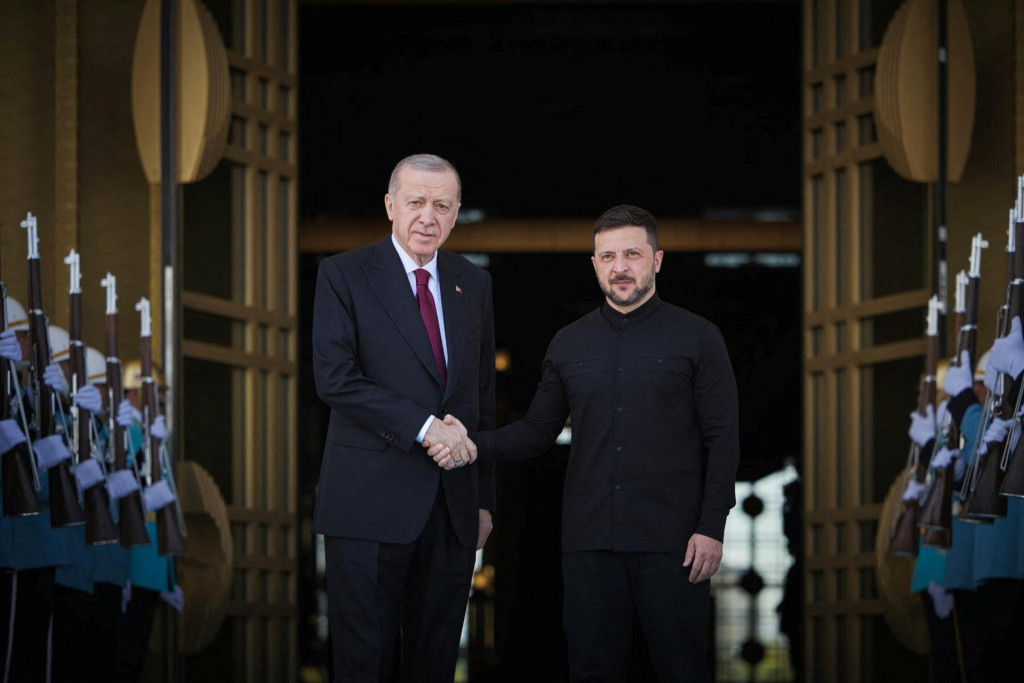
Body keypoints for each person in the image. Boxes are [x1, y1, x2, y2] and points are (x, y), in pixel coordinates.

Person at [436, 204, 740, 682]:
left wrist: (712, 525)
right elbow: (538, 430)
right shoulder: (568, 344)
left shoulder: (699, 337)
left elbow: (723, 436)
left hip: (677, 542)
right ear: (595, 264)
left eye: (633, 254)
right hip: (588, 543)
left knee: (682, 669)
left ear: (657, 260)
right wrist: (470, 443)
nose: (620, 267)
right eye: (608, 256)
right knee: (593, 670)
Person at [311, 153, 496, 682]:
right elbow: (336, 379)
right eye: (415, 202)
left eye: (441, 205)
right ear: (391, 206)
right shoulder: (343, 274)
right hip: (367, 503)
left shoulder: (473, 282)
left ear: (457, 213)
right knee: (363, 662)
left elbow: (480, 392)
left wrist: (483, 500)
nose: (427, 217)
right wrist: (425, 427)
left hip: (453, 506)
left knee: (435, 662)